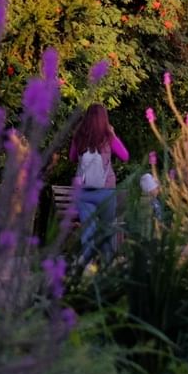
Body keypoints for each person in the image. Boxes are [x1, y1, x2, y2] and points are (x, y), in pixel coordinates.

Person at [69, 103, 122, 262]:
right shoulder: (108, 137)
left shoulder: (79, 136)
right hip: (106, 192)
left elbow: (72, 158)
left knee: (88, 231)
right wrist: (113, 135)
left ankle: (86, 265)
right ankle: (107, 265)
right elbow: (125, 155)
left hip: (84, 192)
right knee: (106, 229)